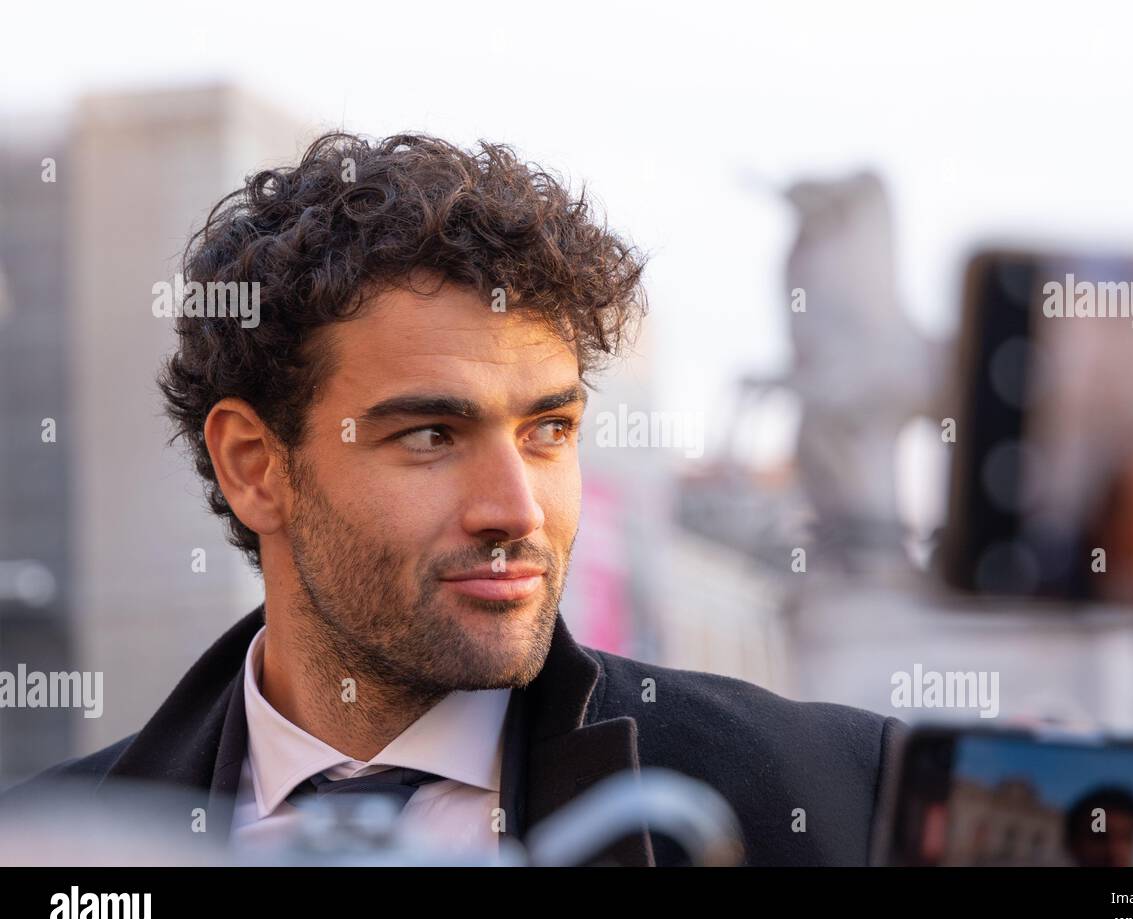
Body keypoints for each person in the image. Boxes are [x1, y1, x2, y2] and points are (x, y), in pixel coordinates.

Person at [3, 133, 903, 865]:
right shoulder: (56, 847)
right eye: (430, 436)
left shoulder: (834, 797)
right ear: (254, 466)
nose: (515, 511)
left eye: (547, 431)